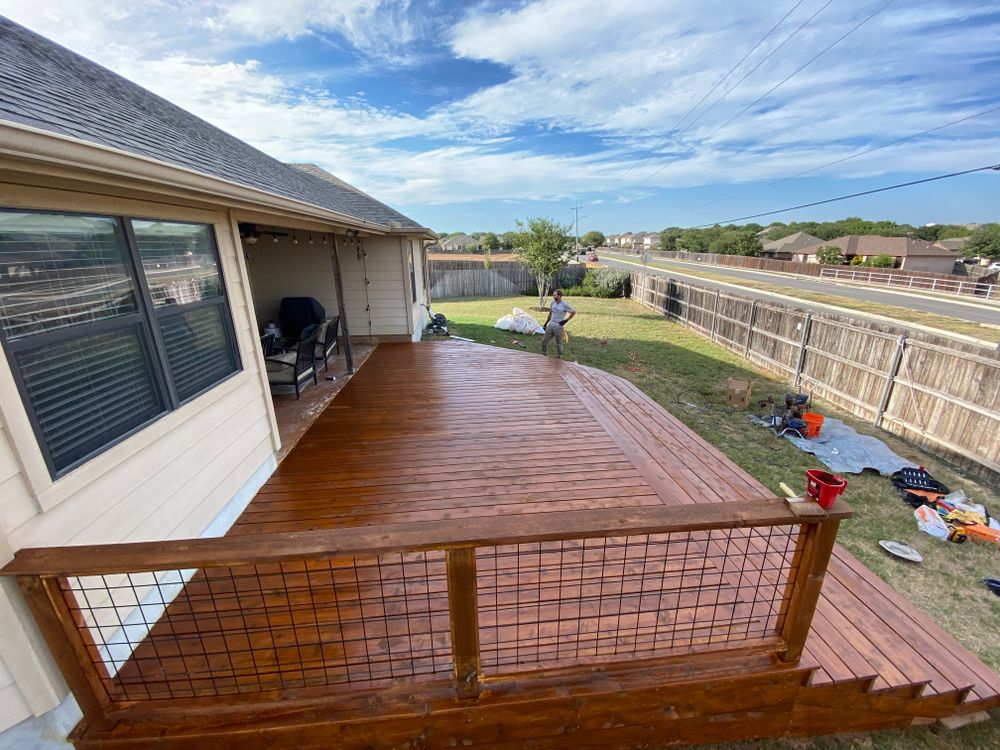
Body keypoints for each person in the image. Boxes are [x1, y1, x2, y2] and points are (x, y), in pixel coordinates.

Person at [541, 289, 575, 357]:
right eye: (553, 295)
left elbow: (573, 312)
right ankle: (544, 355)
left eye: (555, 295)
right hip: (551, 325)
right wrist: (545, 324)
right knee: (544, 341)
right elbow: (550, 314)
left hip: (558, 326)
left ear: (560, 296)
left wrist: (566, 320)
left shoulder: (564, 305)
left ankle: (559, 356)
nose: (553, 296)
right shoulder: (553, 303)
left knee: (559, 343)